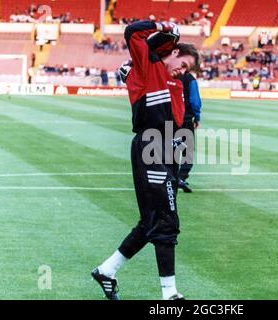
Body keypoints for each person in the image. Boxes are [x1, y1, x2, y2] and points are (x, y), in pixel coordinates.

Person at [91, 20, 199, 301]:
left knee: (150, 221)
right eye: (183, 64)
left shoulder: (173, 83)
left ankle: (106, 271)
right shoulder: (148, 67)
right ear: (173, 52)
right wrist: (162, 28)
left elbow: (176, 122)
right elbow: (133, 33)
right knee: (167, 220)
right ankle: (170, 294)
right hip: (150, 147)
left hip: (164, 151)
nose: (183, 71)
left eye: (187, 70)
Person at [177, 71, 202, 193]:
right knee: (188, 151)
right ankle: (181, 177)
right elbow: (194, 100)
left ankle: (170, 177)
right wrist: (197, 117)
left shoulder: (169, 74)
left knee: (171, 149)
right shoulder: (189, 78)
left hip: (170, 118)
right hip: (186, 119)